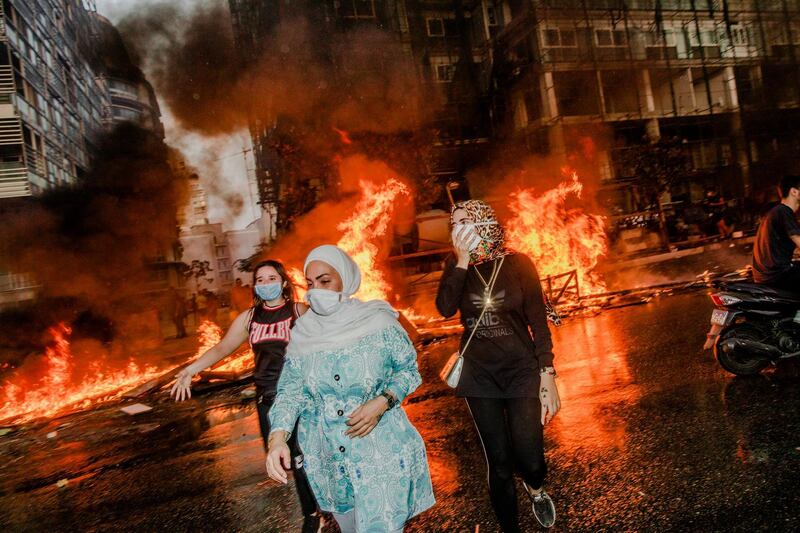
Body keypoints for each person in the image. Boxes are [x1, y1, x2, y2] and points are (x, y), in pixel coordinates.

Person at [265, 245, 435, 533]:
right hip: (329, 458)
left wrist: (383, 401)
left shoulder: (378, 322)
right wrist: (277, 439)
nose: (316, 290)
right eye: (310, 283)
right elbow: (291, 392)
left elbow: (408, 370)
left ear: (344, 278)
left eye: (325, 280)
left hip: (381, 453)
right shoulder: (303, 334)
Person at [171, 260, 324, 533]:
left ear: (284, 282)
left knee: (300, 456)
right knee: (282, 457)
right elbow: (222, 348)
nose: (266, 284)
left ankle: (312, 514)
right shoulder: (249, 318)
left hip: (298, 395)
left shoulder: (299, 312)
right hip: (267, 398)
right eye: (261, 280)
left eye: (271, 278)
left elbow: (329, 337)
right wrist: (191, 370)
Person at [435, 200, 561, 531]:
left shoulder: (519, 264)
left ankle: (535, 487)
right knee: (500, 463)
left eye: (465, 222)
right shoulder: (456, 266)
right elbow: (445, 307)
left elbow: (538, 322)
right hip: (480, 375)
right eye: (454, 224)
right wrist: (461, 263)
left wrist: (547, 374)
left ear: (485, 223)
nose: (458, 229)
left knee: (531, 459)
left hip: (521, 370)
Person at [752, 175, 800, 294]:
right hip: (778, 276)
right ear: (794, 191)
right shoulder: (784, 211)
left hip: (765, 276)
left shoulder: (774, 212)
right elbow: (797, 239)